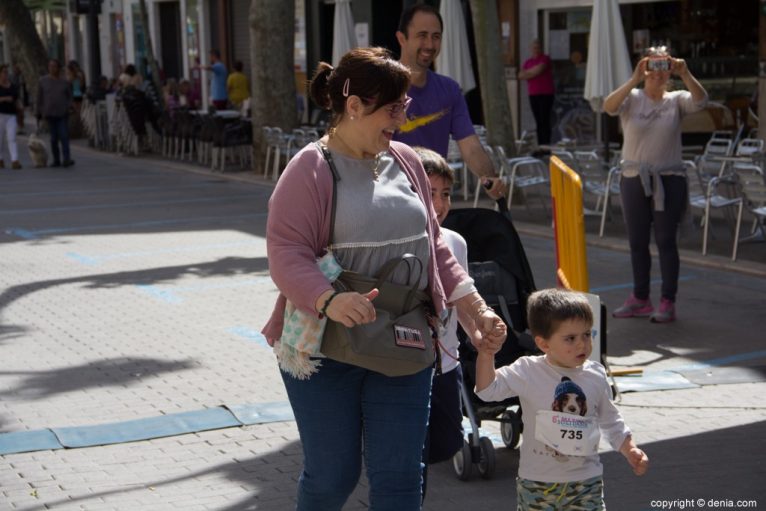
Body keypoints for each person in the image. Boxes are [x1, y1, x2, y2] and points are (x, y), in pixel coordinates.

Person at [262, 46, 507, 510]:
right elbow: (286, 252)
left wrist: (475, 310)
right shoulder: (310, 168)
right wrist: (329, 300)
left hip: (404, 338)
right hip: (325, 346)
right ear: (354, 106)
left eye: (405, 108)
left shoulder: (407, 161)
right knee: (333, 477)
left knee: (400, 479)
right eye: (394, 110)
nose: (401, 120)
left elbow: (434, 246)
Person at [475, 288, 649, 510]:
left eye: (587, 334)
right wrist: (486, 354)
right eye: (570, 338)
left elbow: (611, 420)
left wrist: (630, 449)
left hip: (586, 482)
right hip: (537, 483)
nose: (582, 344)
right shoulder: (528, 371)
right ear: (544, 344)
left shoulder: (595, 374)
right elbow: (487, 390)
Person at [604, 46, 708, 323]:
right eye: (653, 65)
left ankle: (667, 301)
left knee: (665, 241)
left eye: (664, 65)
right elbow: (608, 106)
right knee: (637, 242)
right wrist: (633, 79)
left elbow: (701, 101)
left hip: (668, 180)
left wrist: (686, 73)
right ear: (645, 66)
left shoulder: (676, 99)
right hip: (634, 178)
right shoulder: (633, 97)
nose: (658, 73)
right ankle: (640, 298)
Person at [413, 146, 482, 496]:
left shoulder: (455, 242)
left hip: (447, 364)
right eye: (429, 193)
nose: (439, 204)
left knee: (444, 442)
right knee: (412, 461)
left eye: (445, 194)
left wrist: (481, 333)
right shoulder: (399, 243)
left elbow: (462, 301)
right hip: (407, 367)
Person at [394, 4, 504, 200]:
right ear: (402, 38)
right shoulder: (383, 88)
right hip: (393, 198)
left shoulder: (449, 89)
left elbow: (470, 147)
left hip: (434, 199)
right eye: (422, 35)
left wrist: (489, 178)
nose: (429, 44)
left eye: (436, 37)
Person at [36, 59, 74, 168]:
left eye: (54, 66)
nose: (52, 68)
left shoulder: (65, 82)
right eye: (50, 66)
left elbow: (69, 97)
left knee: (64, 136)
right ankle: (56, 159)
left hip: (62, 113)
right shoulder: (43, 81)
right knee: (53, 138)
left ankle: (66, 158)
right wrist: (38, 112)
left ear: (59, 68)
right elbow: (40, 97)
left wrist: (68, 107)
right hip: (49, 113)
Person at [518, 39, 555, 146]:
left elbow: (539, 70)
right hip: (533, 94)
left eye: (538, 47)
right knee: (538, 121)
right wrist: (532, 72)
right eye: (534, 48)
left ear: (541, 48)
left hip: (546, 93)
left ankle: (546, 145)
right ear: (531, 49)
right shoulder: (528, 62)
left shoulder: (545, 58)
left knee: (545, 119)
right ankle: (540, 146)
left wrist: (529, 73)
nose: (536, 50)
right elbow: (520, 75)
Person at [0, 64, 22, 169]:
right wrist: (4, 99)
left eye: (6, 72)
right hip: (0, 115)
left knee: (12, 137)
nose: (5, 74)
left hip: (11, 115)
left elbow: (15, 98)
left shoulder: (12, 86)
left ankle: (15, 160)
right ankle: (0, 159)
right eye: (3, 72)